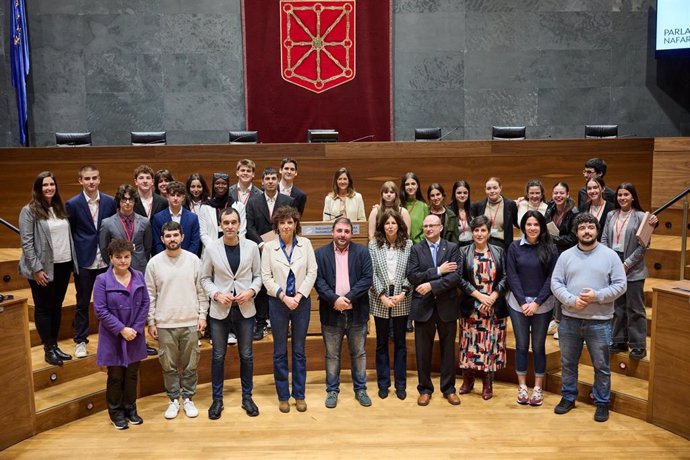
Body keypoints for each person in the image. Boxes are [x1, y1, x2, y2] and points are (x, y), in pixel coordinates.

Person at [551, 213, 627, 423]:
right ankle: (568, 397)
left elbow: (621, 285)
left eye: (590, 227)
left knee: (601, 365)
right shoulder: (565, 256)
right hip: (570, 320)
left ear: (597, 230)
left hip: (600, 321)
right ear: (576, 232)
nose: (586, 231)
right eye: (582, 227)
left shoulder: (610, 255)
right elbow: (556, 283)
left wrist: (598, 296)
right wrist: (571, 300)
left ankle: (602, 403)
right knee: (568, 363)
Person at [200, 208, 262, 419]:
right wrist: (216, 294)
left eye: (233, 222)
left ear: (239, 224)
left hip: (245, 309)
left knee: (247, 355)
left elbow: (258, 276)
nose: (229, 226)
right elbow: (204, 279)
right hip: (220, 310)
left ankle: (247, 397)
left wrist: (251, 291)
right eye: (225, 222)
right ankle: (217, 400)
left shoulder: (252, 247)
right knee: (218, 356)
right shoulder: (211, 248)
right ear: (220, 225)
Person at [146, 222, 209, 420]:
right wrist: (151, 321)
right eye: (168, 236)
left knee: (191, 364)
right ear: (162, 239)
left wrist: (202, 315)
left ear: (182, 237)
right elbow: (150, 295)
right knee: (168, 365)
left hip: (190, 321)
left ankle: (188, 398)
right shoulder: (154, 263)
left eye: (175, 235)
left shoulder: (194, 260)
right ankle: (173, 399)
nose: (172, 239)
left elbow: (202, 291)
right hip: (165, 323)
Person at [261, 206, 317, 413]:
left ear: (296, 224)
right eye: (282, 222)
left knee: (300, 351)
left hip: (301, 303)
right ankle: (283, 396)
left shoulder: (306, 244)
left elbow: (312, 272)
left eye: (290, 222)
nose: (286, 226)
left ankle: (299, 395)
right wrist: (284, 297)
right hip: (278, 303)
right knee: (280, 351)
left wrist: (299, 296)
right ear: (277, 225)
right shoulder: (268, 248)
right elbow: (265, 277)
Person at [19, 171, 79, 366]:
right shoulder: (29, 211)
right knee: (44, 308)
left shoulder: (58, 208)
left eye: (51, 184)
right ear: (38, 188)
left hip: (62, 265)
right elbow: (27, 243)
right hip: (43, 268)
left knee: (57, 306)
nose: (49, 188)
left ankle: (54, 345)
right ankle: (48, 348)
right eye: (45, 185)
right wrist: (36, 269)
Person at [314, 217, 373, 408]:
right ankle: (332, 390)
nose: (342, 235)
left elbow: (367, 278)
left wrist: (347, 299)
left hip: (357, 311)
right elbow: (318, 281)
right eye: (339, 230)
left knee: (359, 353)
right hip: (331, 312)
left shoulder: (362, 252)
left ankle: (361, 389)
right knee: (332, 355)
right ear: (332, 232)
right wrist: (334, 299)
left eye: (346, 231)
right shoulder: (320, 254)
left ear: (351, 234)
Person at [406, 214, 463, 407]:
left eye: (432, 225)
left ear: (440, 227)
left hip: (447, 305)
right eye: (426, 226)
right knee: (423, 351)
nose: (429, 229)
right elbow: (413, 276)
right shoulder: (416, 249)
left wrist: (431, 285)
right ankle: (424, 389)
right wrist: (438, 271)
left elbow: (455, 276)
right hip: (423, 307)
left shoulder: (453, 248)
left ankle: (449, 389)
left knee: (448, 350)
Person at [93, 239, 149, 430]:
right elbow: (100, 310)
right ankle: (116, 412)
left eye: (126, 257)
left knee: (132, 374)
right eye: (118, 257)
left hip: (135, 334)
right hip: (113, 336)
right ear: (111, 258)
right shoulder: (102, 280)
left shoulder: (139, 276)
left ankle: (130, 409)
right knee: (116, 376)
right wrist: (122, 329)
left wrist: (135, 328)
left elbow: (145, 304)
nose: (123, 261)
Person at [505, 211, 558, 406]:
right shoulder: (514, 247)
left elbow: (551, 278)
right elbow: (512, 275)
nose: (532, 228)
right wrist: (523, 302)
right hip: (518, 305)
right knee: (520, 345)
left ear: (541, 226)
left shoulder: (550, 248)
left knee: (537, 346)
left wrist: (536, 303)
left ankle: (537, 387)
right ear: (523, 226)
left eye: (536, 224)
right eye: (529, 224)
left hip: (542, 306)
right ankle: (522, 387)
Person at [66, 164, 117, 358]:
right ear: (80, 180)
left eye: (94, 178)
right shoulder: (73, 204)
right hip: (85, 261)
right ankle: (80, 340)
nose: (91, 182)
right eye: (87, 179)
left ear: (99, 179)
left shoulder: (109, 201)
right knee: (82, 302)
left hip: (105, 260)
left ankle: (112, 338)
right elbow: (70, 234)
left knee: (109, 302)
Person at [602, 183, 657, 360]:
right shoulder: (611, 215)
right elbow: (603, 238)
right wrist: (610, 261)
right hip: (613, 260)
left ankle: (638, 345)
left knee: (635, 308)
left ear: (633, 197)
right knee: (617, 306)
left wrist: (626, 264)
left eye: (626, 194)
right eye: (619, 195)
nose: (622, 198)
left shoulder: (642, 217)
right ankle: (619, 340)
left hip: (633, 267)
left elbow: (643, 246)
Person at [457, 215, 508, 401]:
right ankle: (468, 381)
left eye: (483, 230)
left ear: (489, 232)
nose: (479, 234)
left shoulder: (499, 251)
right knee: (469, 344)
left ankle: (487, 383)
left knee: (490, 345)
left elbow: (506, 277)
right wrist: (479, 298)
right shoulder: (463, 252)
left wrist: (493, 297)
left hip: (493, 308)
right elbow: (459, 279)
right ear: (472, 232)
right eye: (476, 230)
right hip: (472, 306)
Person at [368, 209, 412, 400]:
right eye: (387, 223)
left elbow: (412, 270)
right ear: (382, 226)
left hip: (402, 297)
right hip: (381, 299)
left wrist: (403, 292)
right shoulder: (373, 245)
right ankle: (383, 383)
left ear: (399, 225)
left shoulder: (408, 245)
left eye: (393, 223)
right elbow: (371, 273)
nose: (390, 226)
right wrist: (382, 295)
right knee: (381, 344)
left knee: (401, 344)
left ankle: (400, 384)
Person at [247, 167, 295, 341]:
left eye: (273, 178)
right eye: (267, 178)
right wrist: (261, 244)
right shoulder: (253, 202)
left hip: (284, 250)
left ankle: (283, 324)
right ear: (262, 181)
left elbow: (292, 224)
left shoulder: (288, 200)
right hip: (260, 250)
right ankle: (260, 324)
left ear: (278, 180)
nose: (270, 181)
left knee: (282, 283)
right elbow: (249, 227)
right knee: (262, 287)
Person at [99, 184, 152, 274]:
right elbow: (104, 249)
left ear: (135, 201)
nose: (127, 202)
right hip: (117, 268)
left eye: (130, 199)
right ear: (119, 201)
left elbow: (147, 247)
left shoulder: (145, 222)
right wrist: (113, 263)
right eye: (124, 199)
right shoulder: (107, 223)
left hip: (139, 268)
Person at [199, 172, 246, 256]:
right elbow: (203, 234)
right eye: (217, 183)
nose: (220, 186)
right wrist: (215, 248)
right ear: (213, 185)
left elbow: (242, 230)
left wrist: (235, 246)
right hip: (211, 251)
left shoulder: (238, 206)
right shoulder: (205, 207)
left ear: (228, 186)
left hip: (234, 249)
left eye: (224, 183)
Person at [151, 181, 201, 256]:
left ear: (183, 197)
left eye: (178, 195)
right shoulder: (158, 218)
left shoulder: (193, 218)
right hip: (165, 261)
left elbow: (195, 243)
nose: (175, 198)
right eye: (172, 195)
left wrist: (186, 259)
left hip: (187, 261)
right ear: (167, 197)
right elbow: (157, 243)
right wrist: (166, 259)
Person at [471, 177, 517, 252]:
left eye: (495, 188)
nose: (492, 191)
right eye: (489, 188)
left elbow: (517, 223)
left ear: (500, 188)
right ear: (485, 190)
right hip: (483, 244)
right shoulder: (479, 205)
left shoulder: (510, 205)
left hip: (503, 245)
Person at [400, 172, 429, 245]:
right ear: (403, 187)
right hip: (400, 246)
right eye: (407, 184)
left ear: (417, 186)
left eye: (413, 184)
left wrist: (419, 243)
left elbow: (427, 228)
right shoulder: (398, 205)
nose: (410, 187)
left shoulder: (423, 206)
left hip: (418, 247)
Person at [449, 180, 473, 246]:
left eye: (465, 193)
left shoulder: (473, 208)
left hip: (472, 245)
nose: (462, 195)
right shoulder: (449, 211)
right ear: (454, 194)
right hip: (456, 247)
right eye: (459, 193)